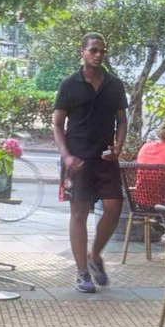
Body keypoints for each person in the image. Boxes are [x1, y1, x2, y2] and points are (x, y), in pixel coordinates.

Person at [53, 32, 129, 293]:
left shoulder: (114, 84)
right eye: (93, 50)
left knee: (114, 207)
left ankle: (94, 255)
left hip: (106, 158)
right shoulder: (69, 84)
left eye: (102, 51)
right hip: (77, 159)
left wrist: (118, 146)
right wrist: (66, 155)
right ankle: (82, 273)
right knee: (79, 213)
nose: (98, 55)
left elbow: (122, 120)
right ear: (82, 52)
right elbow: (56, 123)